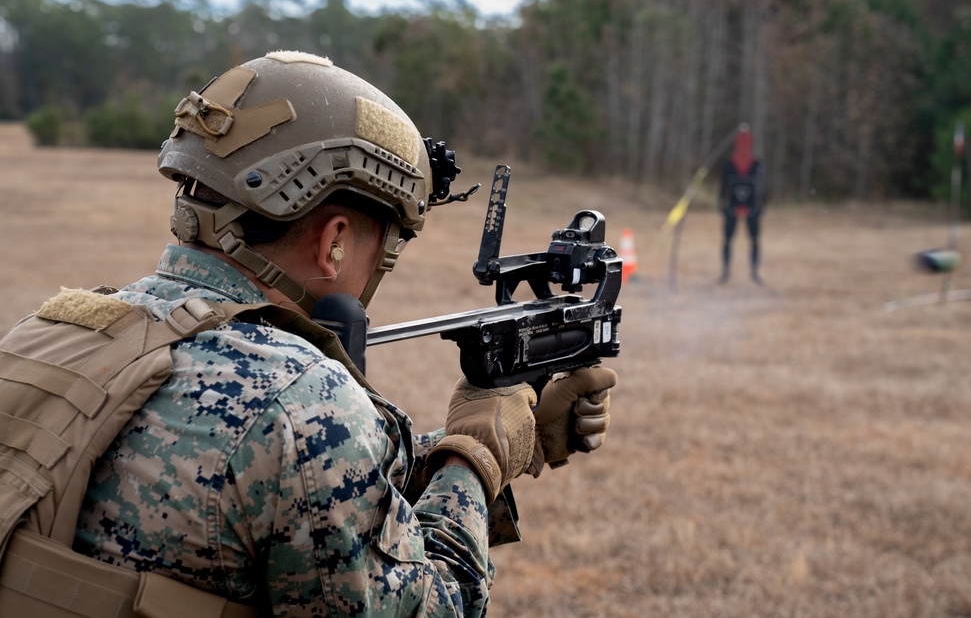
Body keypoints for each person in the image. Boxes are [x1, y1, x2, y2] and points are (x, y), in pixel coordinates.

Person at [0, 51, 616, 616]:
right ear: (335, 240)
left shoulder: (50, 333)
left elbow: (288, 493)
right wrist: (474, 458)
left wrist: (510, 442)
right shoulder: (298, 405)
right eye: (388, 243)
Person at [718, 124, 766, 284]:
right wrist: (723, 206)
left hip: (752, 207)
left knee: (754, 239)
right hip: (732, 206)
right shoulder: (729, 165)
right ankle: (725, 272)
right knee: (728, 239)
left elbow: (762, 188)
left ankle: (754, 272)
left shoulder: (757, 165)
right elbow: (723, 187)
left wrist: (761, 208)